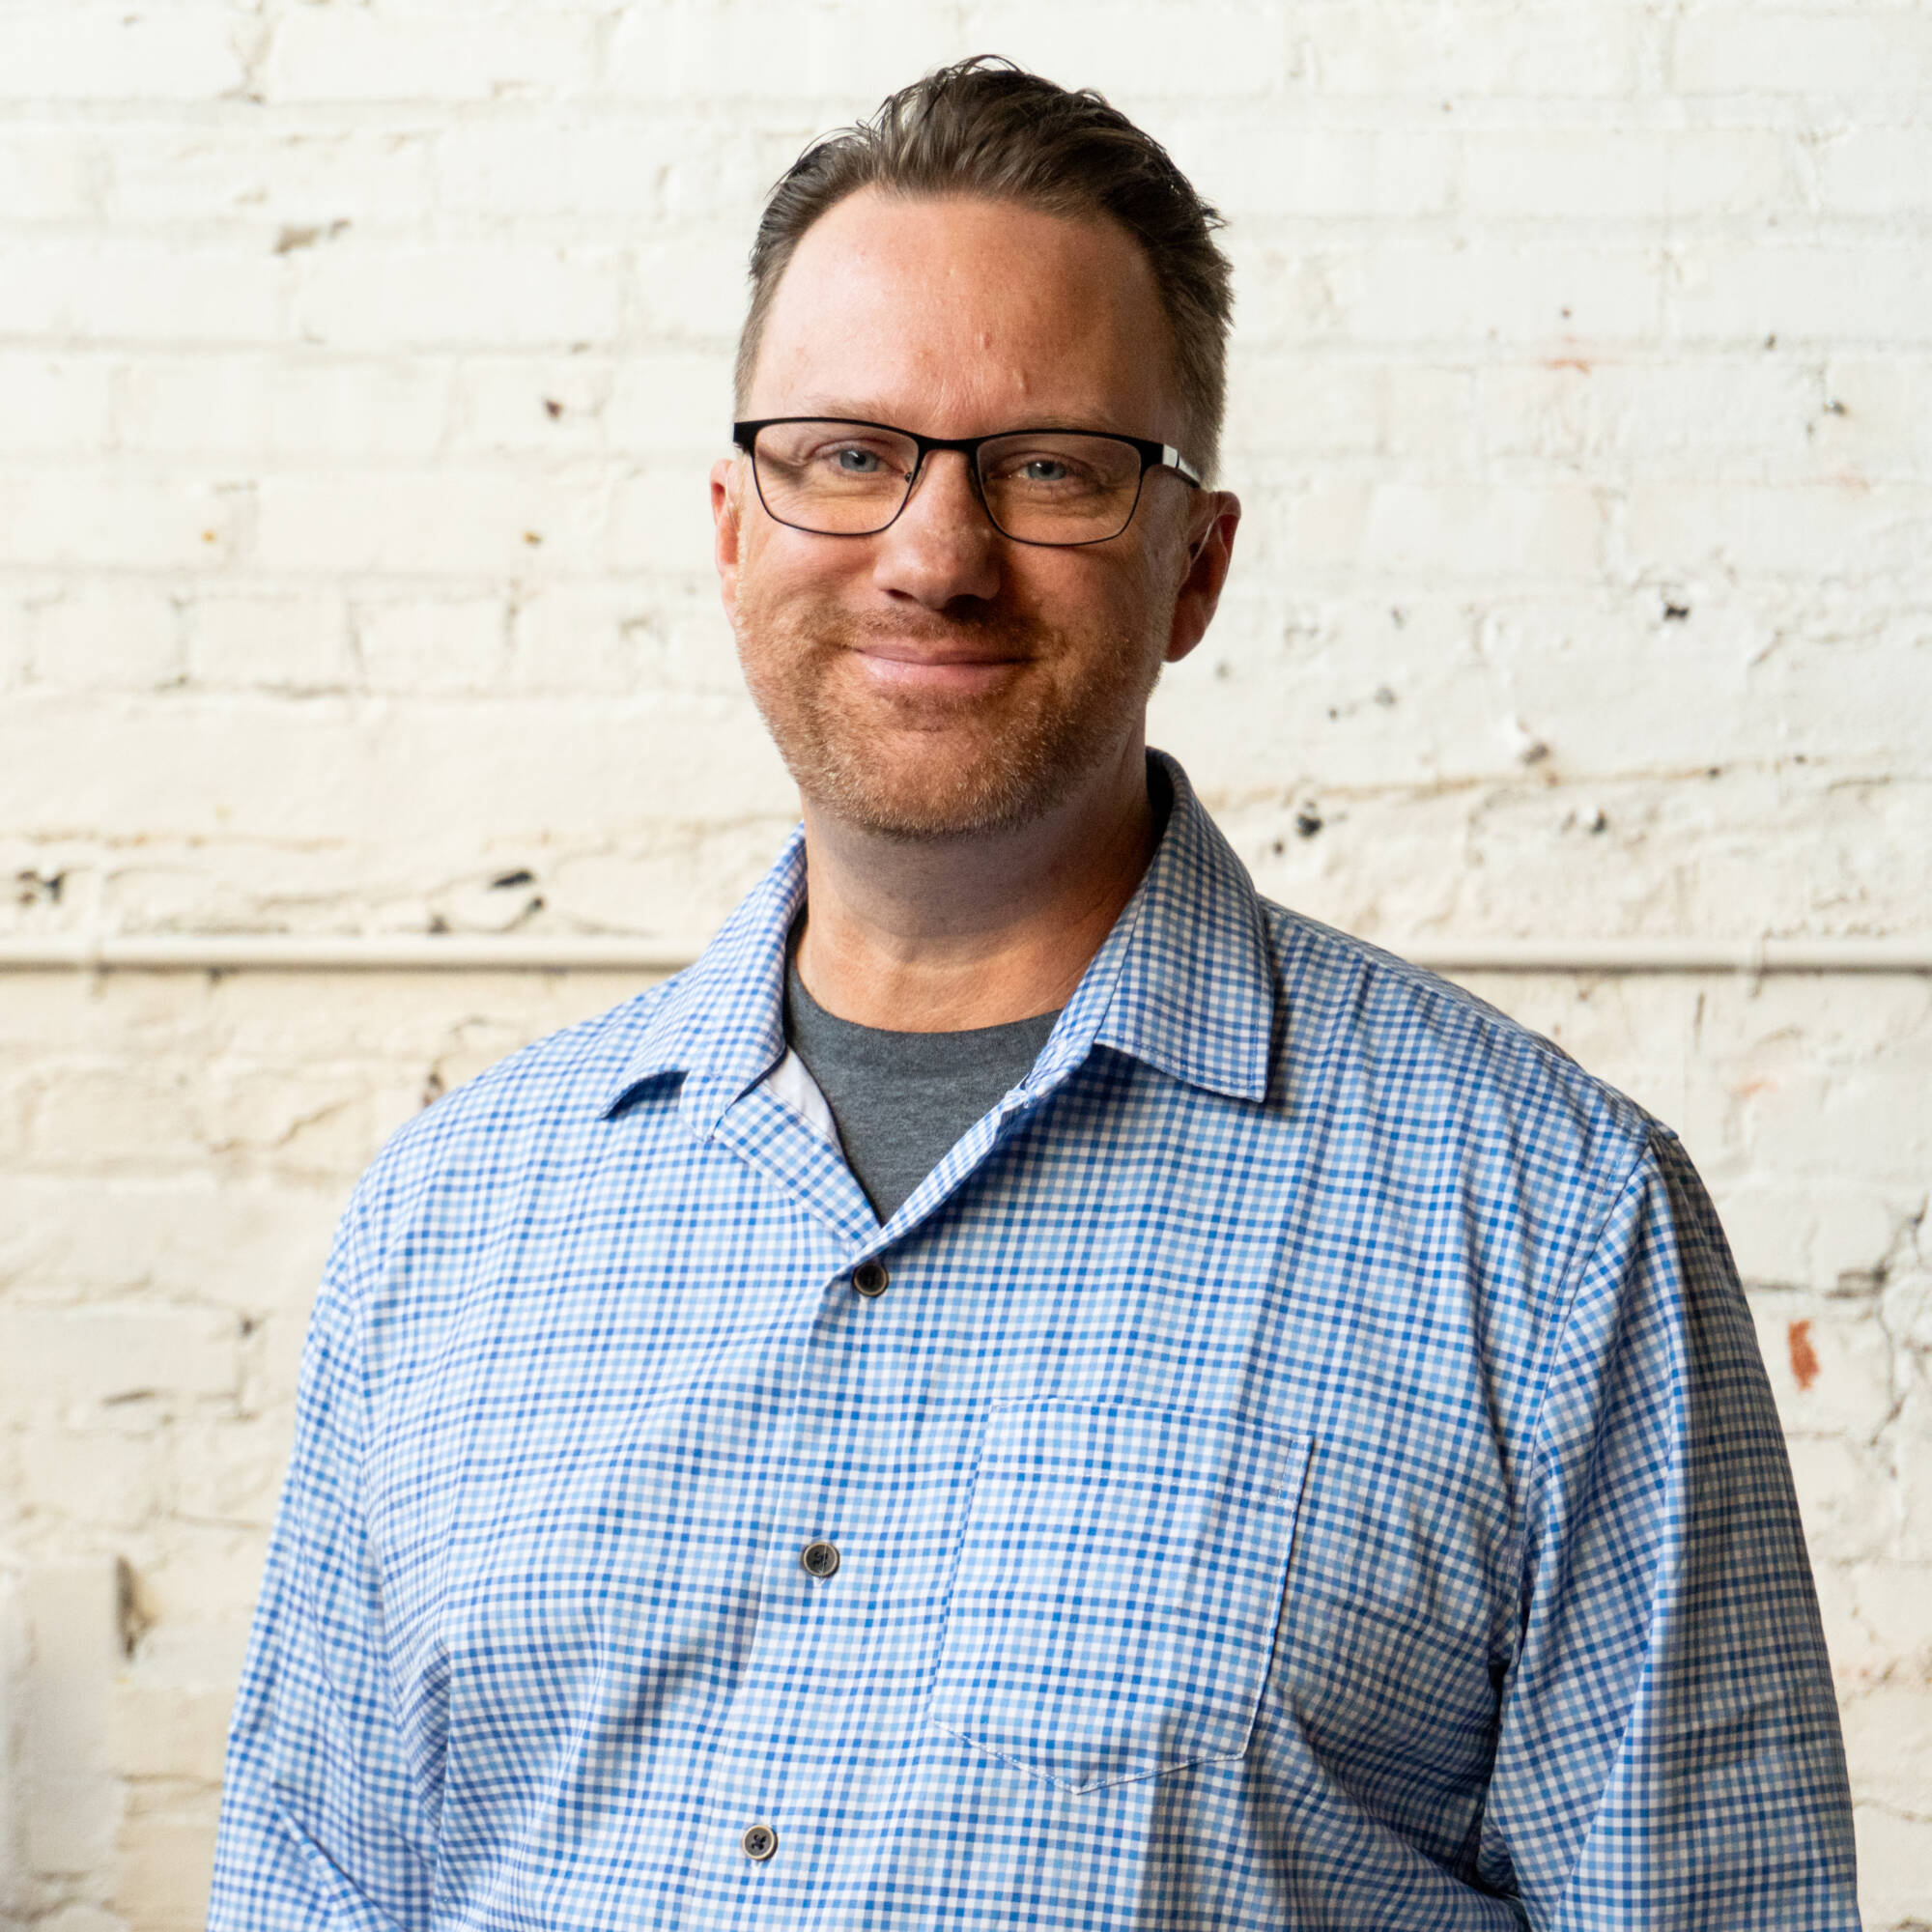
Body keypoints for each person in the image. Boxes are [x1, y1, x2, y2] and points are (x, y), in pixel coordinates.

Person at [207, 57, 1861, 1931]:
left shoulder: (1552, 1232)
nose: (934, 554)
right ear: (737, 530)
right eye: (848, 454)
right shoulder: (454, 1224)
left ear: (1194, 565)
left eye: (1052, 469)